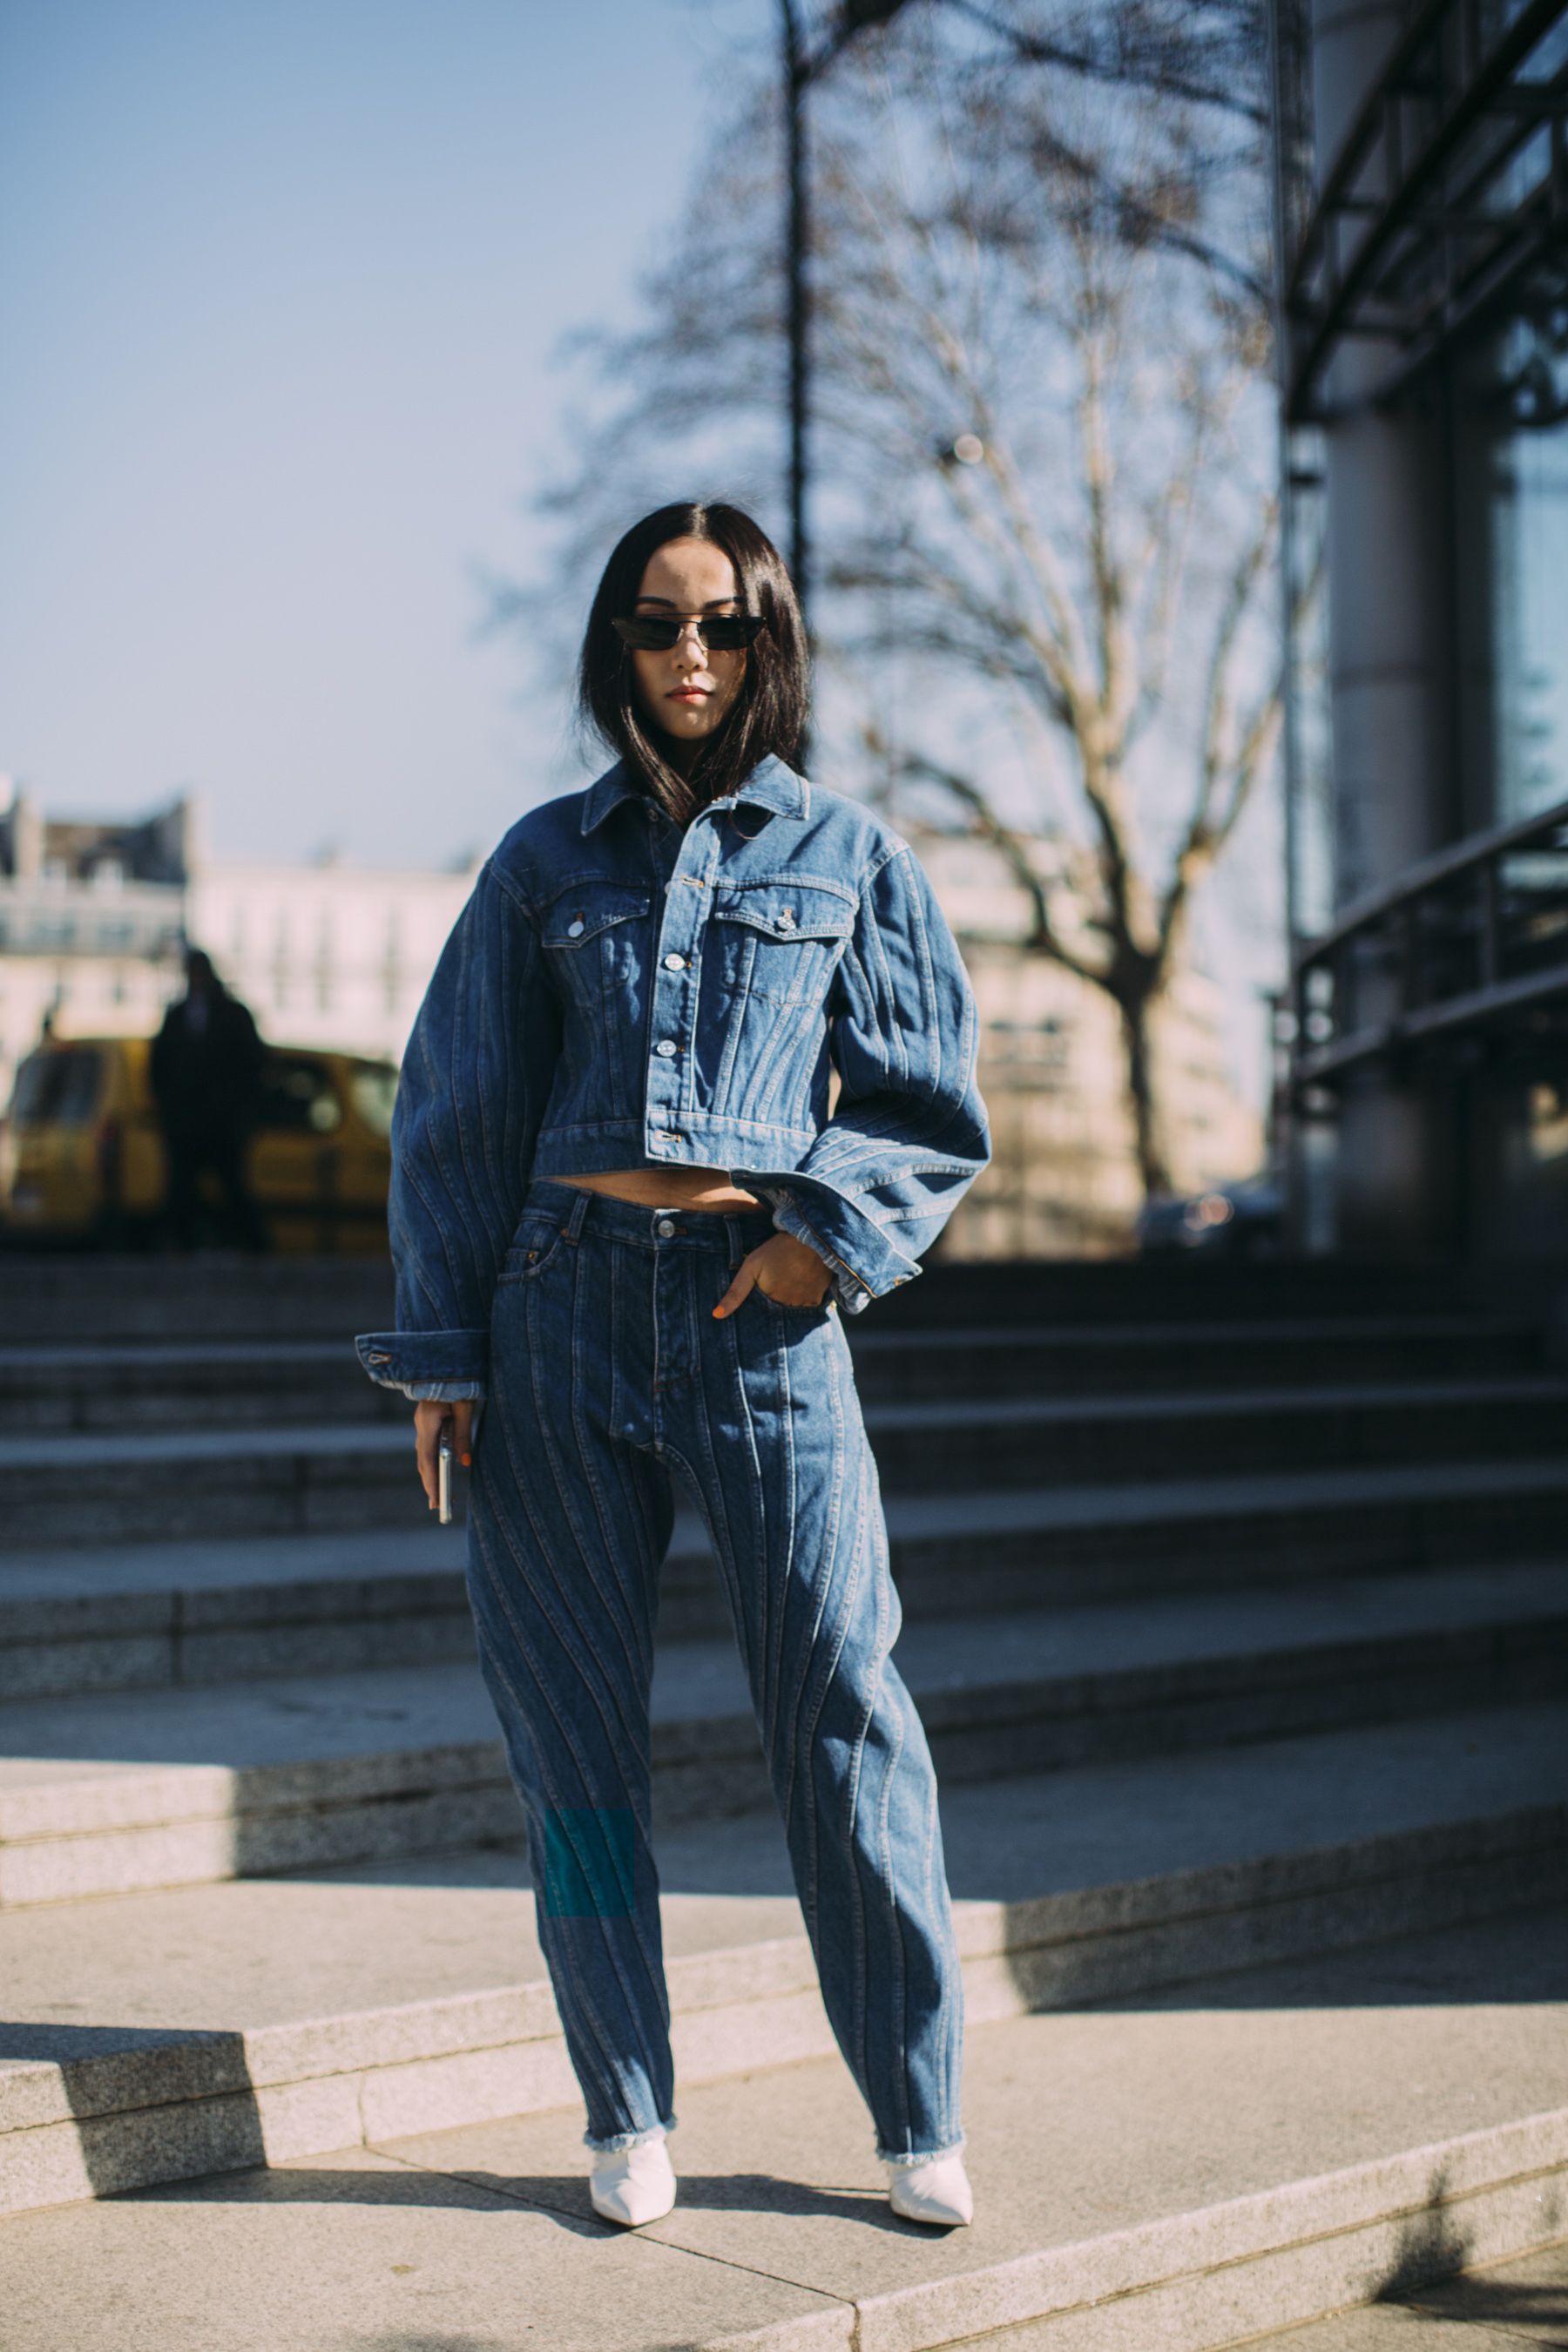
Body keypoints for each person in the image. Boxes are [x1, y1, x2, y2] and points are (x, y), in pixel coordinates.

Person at [356, 502, 989, 2232]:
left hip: (758, 1318)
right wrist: (442, 1356)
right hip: (553, 1314)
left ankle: (918, 2113)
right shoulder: (545, 861)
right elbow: (457, 1115)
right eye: (656, 624)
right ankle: (624, 2107)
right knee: (569, 1738)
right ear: (616, 647)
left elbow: (931, 1111)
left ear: (769, 642)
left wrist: (820, 1237)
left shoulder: (852, 856)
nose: (690, 654)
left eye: (722, 623)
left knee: (846, 1710)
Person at [149, 948, 267, 1251]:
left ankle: (253, 1250)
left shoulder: (232, 1015)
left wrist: (235, 1111)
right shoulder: (178, 1016)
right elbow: (159, 1069)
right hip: (186, 1127)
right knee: (182, 1193)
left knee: (233, 1190)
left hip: (222, 1126)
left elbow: (254, 1067)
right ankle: (186, 1251)